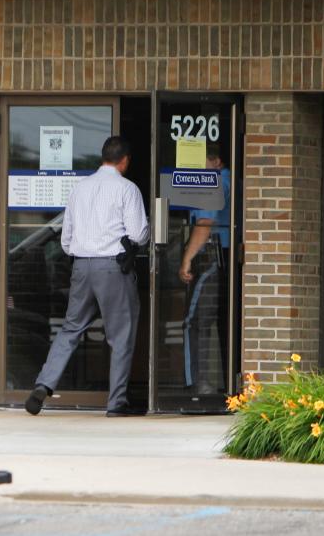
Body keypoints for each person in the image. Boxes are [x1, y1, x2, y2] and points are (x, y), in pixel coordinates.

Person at [25, 136, 150, 417]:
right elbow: (139, 234)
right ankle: (116, 403)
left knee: (70, 329)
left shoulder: (79, 189)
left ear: (103, 157)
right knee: (121, 336)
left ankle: (43, 385)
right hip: (113, 268)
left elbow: (66, 239)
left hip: (81, 267)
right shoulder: (127, 189)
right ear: (125, 160)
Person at [179, 145, 230, 397]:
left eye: (199, 163)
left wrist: (187, 259)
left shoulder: (213, 182)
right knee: (225, 323)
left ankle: (198, 384)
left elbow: (205, 223)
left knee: (196, 322)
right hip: (226, 258)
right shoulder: (229, 179)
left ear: (216, 161)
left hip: (211, 256)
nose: (195, 170)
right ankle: (228, 383)